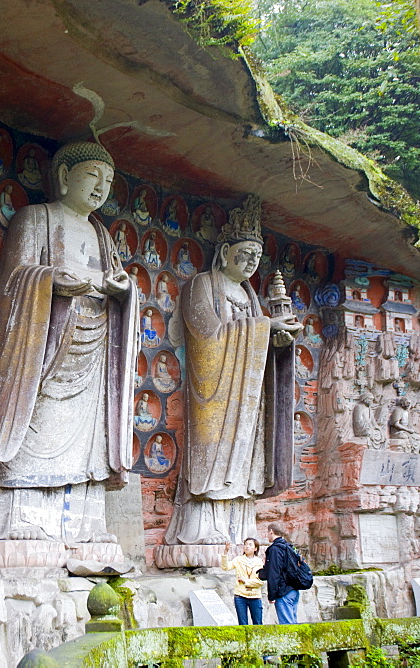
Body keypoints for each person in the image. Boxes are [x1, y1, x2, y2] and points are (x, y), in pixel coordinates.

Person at [0, 141, 139, 561]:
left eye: (108, 182)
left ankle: (83, 524)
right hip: (43, 346)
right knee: (35, 423)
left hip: (93, 348)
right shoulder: (35, 218)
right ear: (63, 177)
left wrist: (124, 290)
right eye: (92, 177)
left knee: (88, 440)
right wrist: (49, 281)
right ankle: (19, 523)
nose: (101, 188)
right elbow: (11, 284)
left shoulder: (102, 233)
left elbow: (118, 281)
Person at [163, 195, 300, 559]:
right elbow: (206, 335)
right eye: (244, 254)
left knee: (246, 463)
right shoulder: (202, 286)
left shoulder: (250, 296)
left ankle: (241, 528)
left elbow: (258, 340)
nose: (252, 263)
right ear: (224, 252)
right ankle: (201, 528)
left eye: (257, 258)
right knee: (211, 459)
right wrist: (263, 328)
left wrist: (277, 341)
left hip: (247, 395)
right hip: (213, 391)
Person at [258, 523, 300, 624]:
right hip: (293, 589)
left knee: (287, 625)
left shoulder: (275, 549)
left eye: (268, 533)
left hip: (283, 592)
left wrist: (271, 595)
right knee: (293, 622)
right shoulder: (289, 547)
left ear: (271, 531)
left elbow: (274, 573)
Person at [221, 538, 265, 625]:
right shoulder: (238, 559)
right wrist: (225, 552)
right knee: (242, 624)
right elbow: (226, 567)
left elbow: (261, 581)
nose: (247, 546)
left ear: (255, 548)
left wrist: (246, 581)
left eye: (250, 545)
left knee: (258, 623)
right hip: (240, 595)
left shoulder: (260, 562)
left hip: (255, 596)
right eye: (245, 544)